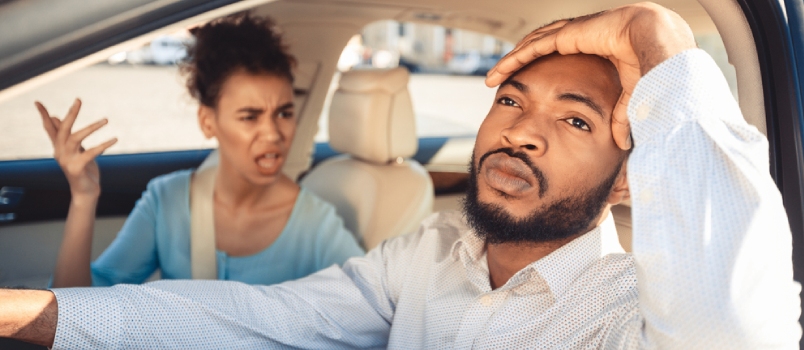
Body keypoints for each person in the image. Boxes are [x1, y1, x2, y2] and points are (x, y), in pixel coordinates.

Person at [1, 2, 800, 348]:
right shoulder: (424, 256)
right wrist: (34, 313)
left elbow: (729, 337)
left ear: (627, 182)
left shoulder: (630, 316)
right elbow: (261, 319)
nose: (522, 130)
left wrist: (658, 38)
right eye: (513, 99)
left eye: (577, 120)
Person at [33, 13, 364, 288]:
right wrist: (83, 197)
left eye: (284, 113)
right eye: (250, 116)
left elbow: (369, 305)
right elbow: (79, 307)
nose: (274, 132)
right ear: (208, 122)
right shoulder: (167, 201)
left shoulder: (316, 225)